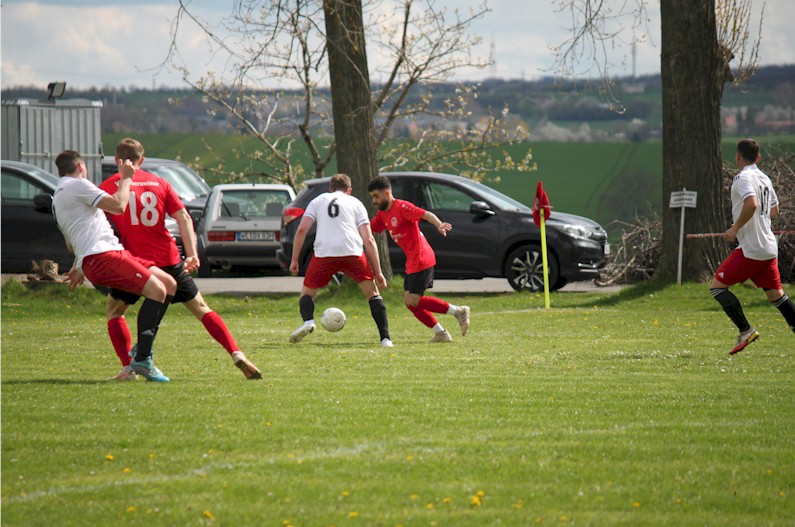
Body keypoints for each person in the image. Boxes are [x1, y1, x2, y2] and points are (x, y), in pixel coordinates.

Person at [98, 138, 262, 380]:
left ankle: (128, 368)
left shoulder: (110, 185)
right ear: (141, 161)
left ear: (117, 160)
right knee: (201, 308)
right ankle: (236, 352)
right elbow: (184, 217)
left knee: (115, 311)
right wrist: (192, 253)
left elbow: (97, 222)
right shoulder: (160, 183)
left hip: (135, 263)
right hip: (169, 260)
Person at [52, 149, 176, 382]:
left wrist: (79, 266)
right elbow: (119, 206)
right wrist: (126, 176)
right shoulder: (78, 185)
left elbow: (75, 240)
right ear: (80, 166)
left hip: (106, 255)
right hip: (105, 257)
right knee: (158, 290)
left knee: (169, 284)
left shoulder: (58, 195)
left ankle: (132, 363)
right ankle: (142, 358)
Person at [710, 138, 795, 354]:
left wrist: (735, 228)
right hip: (768, 247)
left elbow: (752, 203)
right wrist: (758, 220)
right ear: (757, 157)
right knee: (776, 296)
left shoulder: (742, 178)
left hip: (752, 249)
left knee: (717, 287)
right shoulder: (763, 178)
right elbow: (774, 209)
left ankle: (746, 331)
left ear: (737, 156)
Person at [288, 173, 392, 347]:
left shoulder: (318, 200)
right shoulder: (356, 203)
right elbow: (369, 239)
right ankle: (385, 339)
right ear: (349, 190)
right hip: (352, 252)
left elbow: (301, 231)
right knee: (373, 295)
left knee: (307, 294)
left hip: (324, 254)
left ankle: (308, 321)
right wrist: (378, 272)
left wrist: (294, 259)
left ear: (330, 188)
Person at [367, 175, 470, 342]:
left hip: (422, 258)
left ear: (387, 193)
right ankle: (441, 333)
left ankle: (458, 311)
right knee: (410, 302)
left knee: (413, 300)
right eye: (372, 197)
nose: (374, 200)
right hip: (412, 261)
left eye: (376, 196)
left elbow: (426, 214)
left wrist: (439, 225)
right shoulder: (382, 215)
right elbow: (368, 228)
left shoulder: (402, 207)